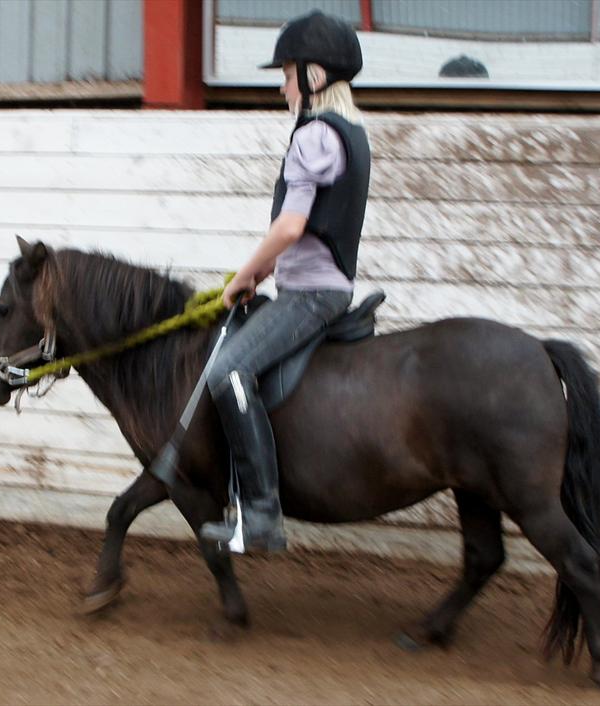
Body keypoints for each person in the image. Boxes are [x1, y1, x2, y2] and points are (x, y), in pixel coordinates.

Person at [199, 10, 371, 552]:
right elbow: (305, 233)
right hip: (315, 285)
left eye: (288, 73)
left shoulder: (313, 135)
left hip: (313, 294)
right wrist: (264, 273)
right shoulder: (350, 132)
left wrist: (245, 273)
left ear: (314, 78)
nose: (282, 84)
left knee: (226, 371)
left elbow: (290, 226)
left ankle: (262, 515)